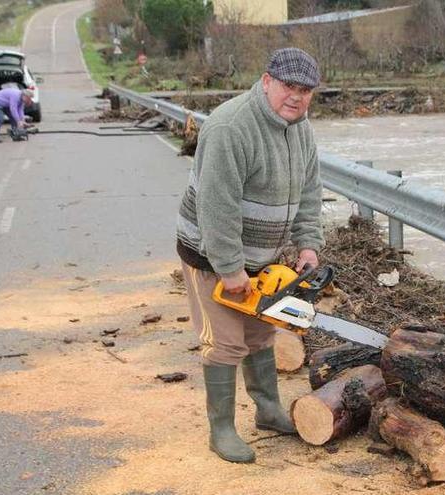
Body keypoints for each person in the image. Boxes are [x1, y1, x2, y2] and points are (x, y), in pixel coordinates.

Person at [175, 47, 324, 463]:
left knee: (260, 334)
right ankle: (220, 429)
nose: (296, 96)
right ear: (266, 81)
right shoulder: (230, 127)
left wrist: (308, 243)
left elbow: (310, 190)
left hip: (264, 256)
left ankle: (268, 410)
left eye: (306, 90)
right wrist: (229, 267)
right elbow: (215, 205)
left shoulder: (300, 128)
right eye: (288, 87)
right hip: (211, 254)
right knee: (224, 343)